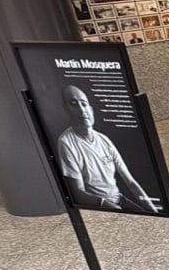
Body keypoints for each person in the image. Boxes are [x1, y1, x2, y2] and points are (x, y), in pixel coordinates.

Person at [56, 85, 158, 213]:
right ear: (66, 110)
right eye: (73, 104)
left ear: (91, 110)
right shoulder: (66, 142)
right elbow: (78, 192)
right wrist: (109, 205)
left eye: (84, 104)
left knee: (150, 217)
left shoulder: (104, 140)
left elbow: (131, 182)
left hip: (119, 199)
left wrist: (153, 209)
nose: (82, 110)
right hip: (98, 207)